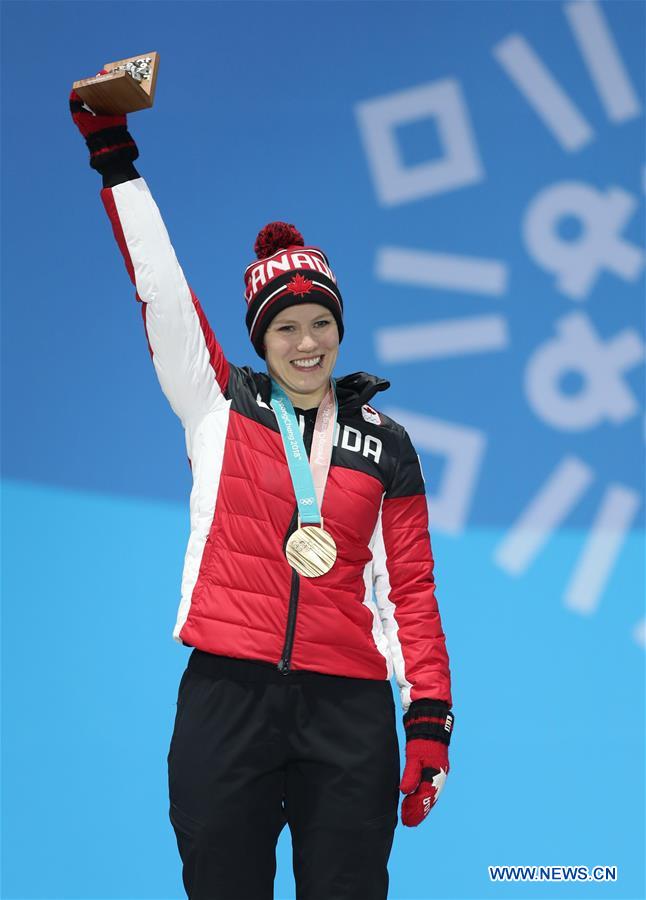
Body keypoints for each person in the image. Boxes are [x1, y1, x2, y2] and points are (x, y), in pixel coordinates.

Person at [70, 80, 455, 900]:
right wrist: (115, 159)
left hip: (348, 709)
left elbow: (411, 593)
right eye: (286, 326)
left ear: (341, 328)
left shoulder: (386, 446)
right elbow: (161, 291)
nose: (307, 342)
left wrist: (429, 719)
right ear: (261, 339)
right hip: (227, 698)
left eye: (321, 323)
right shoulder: (217, 404)